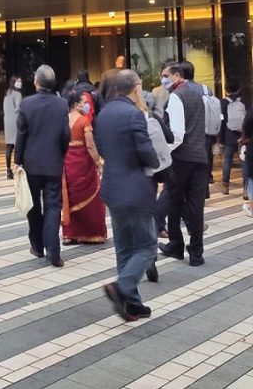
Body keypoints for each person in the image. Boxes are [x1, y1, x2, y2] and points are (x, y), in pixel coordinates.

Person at [96, 70, 159, 321]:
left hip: (112, 187)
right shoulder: (134, 114)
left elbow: (102, 148)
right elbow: (145, 150)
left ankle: (131, 302)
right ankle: (121, 287)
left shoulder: (104, 113)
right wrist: (156, 161)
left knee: (124, 248)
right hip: (134, 188)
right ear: (136, 87)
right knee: (147, 246)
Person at [15, 64, 70, 267]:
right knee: (53, 205)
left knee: (33, 205)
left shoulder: (26, 104)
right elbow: (66, 135)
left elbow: (21, 135)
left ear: (36, 82)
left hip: (31, 164)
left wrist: (17, 161)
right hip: (53, 163)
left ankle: (37, 245)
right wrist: (61, 153)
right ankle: (53, 252)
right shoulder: (61, 105)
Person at [159, 62, 207, 266]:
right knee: (196, 206)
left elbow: (177, 133)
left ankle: (176, 245)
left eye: (165, 75)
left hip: (181, 158)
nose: (163, 80)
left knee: (175, 201)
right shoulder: (199, 93)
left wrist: (165, 151)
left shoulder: (176, 96)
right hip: (200, 156)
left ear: (177, 75)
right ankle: (196, 253)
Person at [62, 89, 106, 245]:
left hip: (68, 162)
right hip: (83, 164)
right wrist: (99, 163)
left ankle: (69, 234)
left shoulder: (64, 120)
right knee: (90, 195)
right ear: (76, 105)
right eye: (84, 102)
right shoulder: (84, 121)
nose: (87, 105)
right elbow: (91, 146)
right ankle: (91, 234)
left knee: (70, 196)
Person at [219, 87, 248, 195]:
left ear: (227, 90)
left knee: (227, 160)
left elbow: (222, 122)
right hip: (243, 136)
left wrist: (221, 138)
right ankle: (245, 189)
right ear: (239, 89)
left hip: (228, 136)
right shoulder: (244, 101)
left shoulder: (223, 102)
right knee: (244, 162)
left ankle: (225, 186)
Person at [3, 76, 23, 179]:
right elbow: (19, 109)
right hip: (15, 122)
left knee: (9, 147)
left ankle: (8, 170)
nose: (20, 83)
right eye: (18, 81)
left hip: (7, 123)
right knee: (18, 147)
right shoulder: (17, 94)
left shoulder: (7, 94)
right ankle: (18, 168)